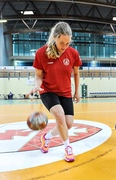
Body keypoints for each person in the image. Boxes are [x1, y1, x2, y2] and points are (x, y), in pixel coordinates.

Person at [26, 22, 82, 162]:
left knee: (68, 124)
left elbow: (76, 73)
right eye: (62, 42)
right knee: (59, 115)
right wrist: (37, 86)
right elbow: (38, 76)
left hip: (65, 92)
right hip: (48, 91)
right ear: (55, 37)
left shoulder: (73, 53)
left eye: (67, 43)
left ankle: (47, 137)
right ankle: (68, 148)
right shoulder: (41, 53)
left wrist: (77, 91)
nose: (64, 46)